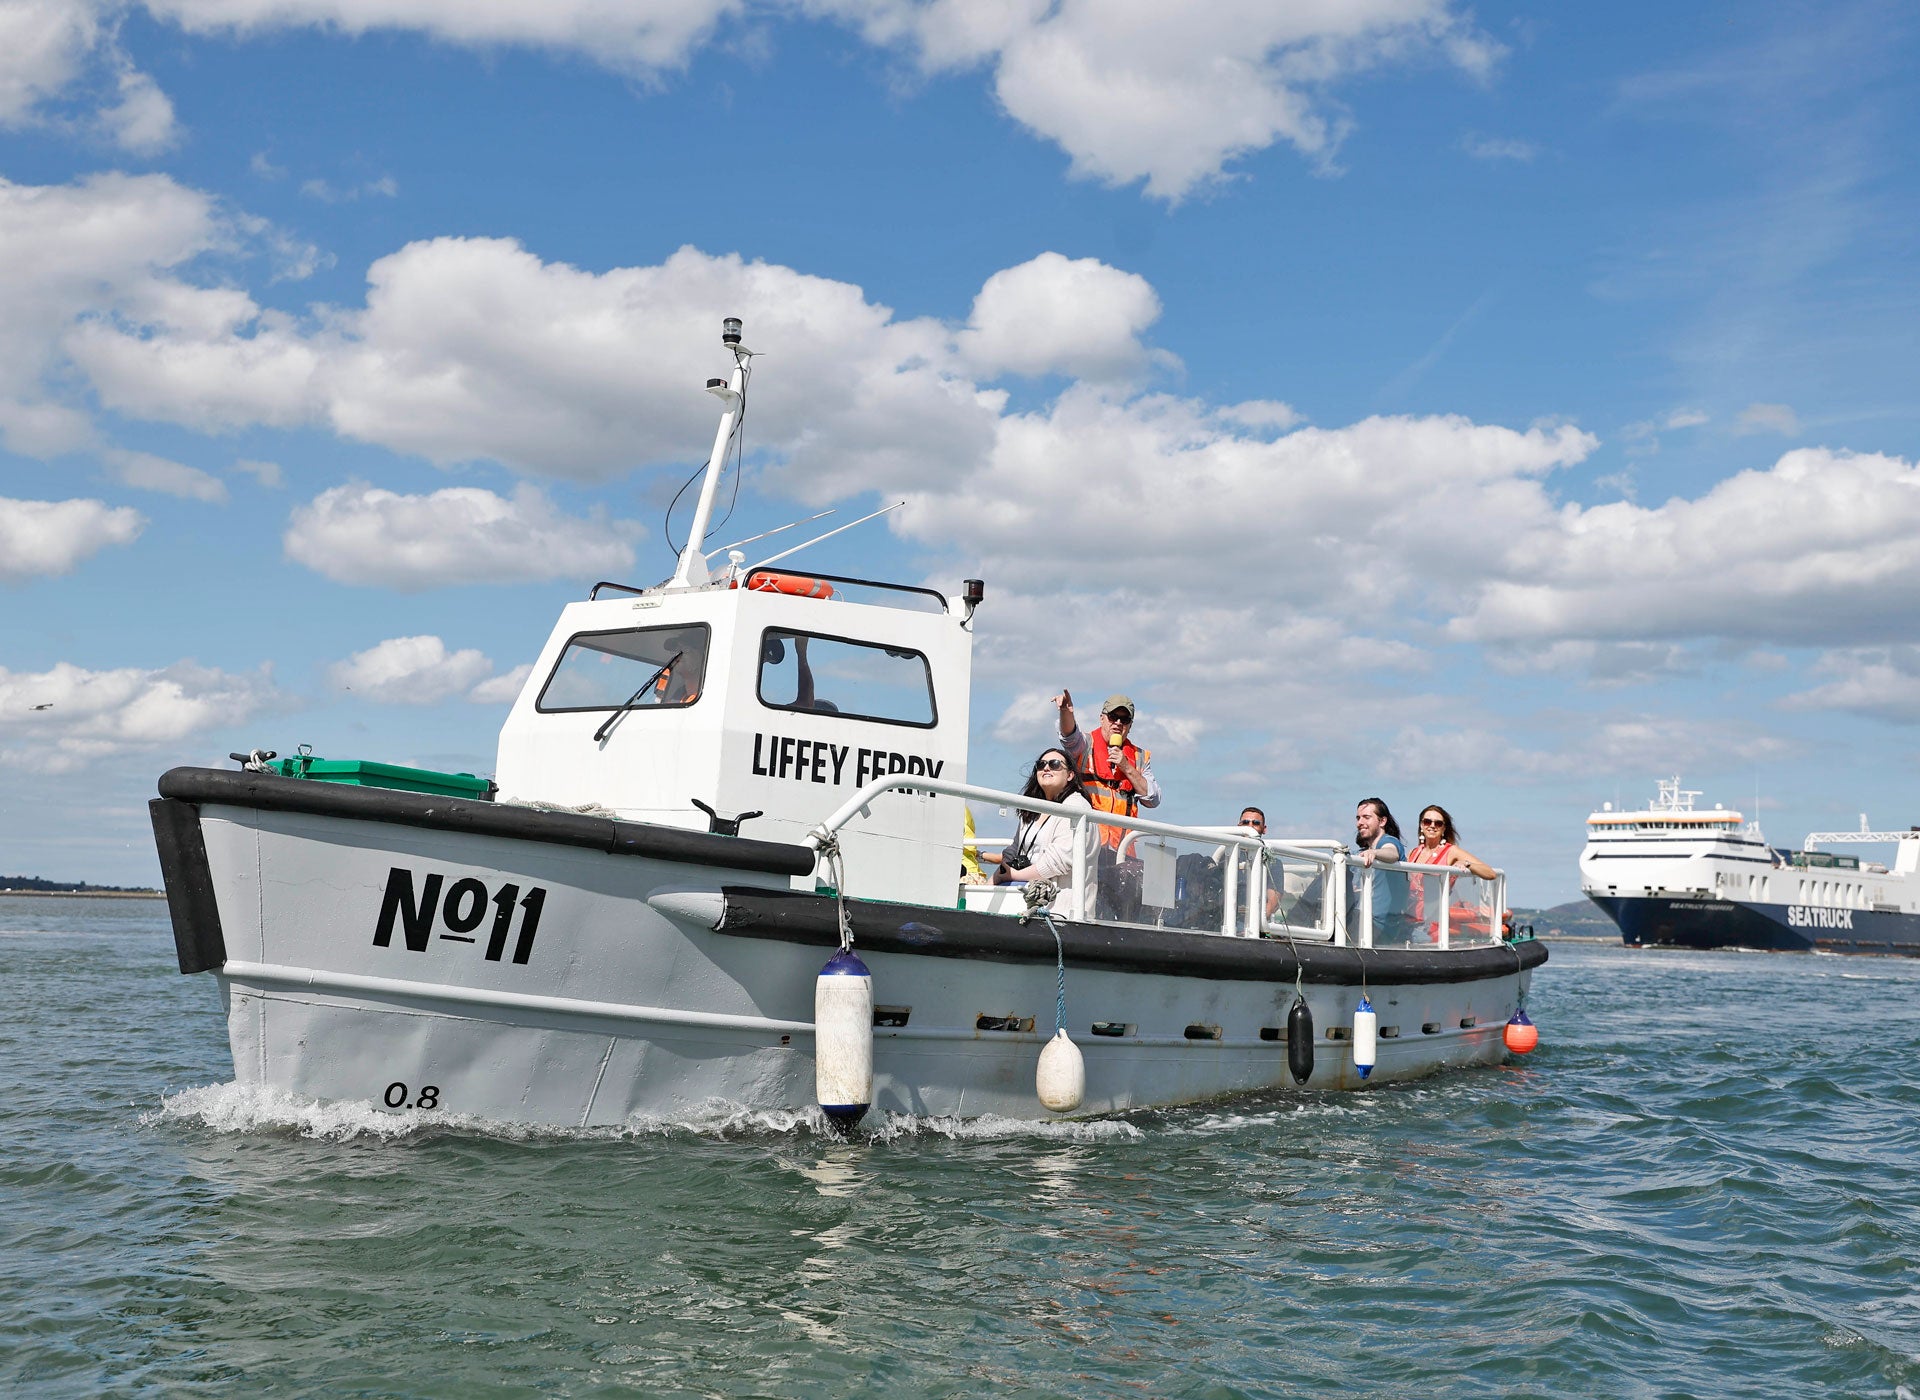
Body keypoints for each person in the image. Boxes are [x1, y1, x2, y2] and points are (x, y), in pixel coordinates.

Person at [986, 749, 1094, 917]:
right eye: (1041, 765)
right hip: (1026, 901)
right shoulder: (1032, 808)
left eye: (1055, 764)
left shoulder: (1077, 808)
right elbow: (1014, 849)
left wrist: (1014, 875)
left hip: (1062, 911)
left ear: (1070, 775)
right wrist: (990, 883)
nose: (1046, 768)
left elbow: (1057, 862)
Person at [1053, 689, 1159, 848]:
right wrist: (1065, 712)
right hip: (1087, 847)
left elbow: (1153, 799)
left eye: (1124, 719)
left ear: (1130, 726)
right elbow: (1069, 737)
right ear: (1102, 718)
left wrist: (1126, 767)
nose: (1118, 723)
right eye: (1113, 717)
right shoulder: (1085, 745)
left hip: (1122, 852)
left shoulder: (1140, 757)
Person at [1407, 804, 1497, 940]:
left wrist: (1467, 864)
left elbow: (1490, 873)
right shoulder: (1413, 853)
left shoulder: (1451, 851)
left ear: (1443, 828)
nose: (1432, 826)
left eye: (1438, 823)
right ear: (1421, 825)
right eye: (1427, 822)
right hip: (1409, 919)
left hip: (1432, 924)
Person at [1351, 797, 1408, 942]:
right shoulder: (1363, 851)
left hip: (1377, 925)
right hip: (1361, 917)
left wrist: (1375, 853)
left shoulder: (1388, 841)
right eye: (1358, 818)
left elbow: (1392, 853)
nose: (1360, 823)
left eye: (1366, 817)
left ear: (1382, 821)